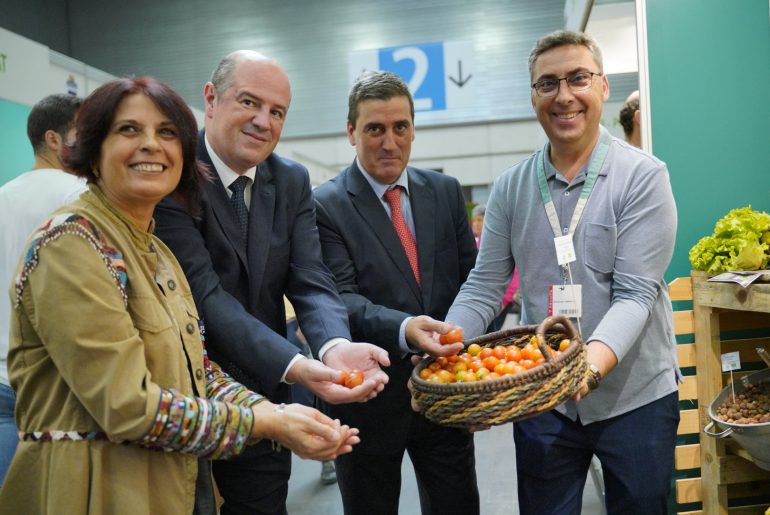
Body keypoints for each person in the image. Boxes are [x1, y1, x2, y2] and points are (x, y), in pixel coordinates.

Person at [0, 77, 358, 514]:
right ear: (93, 149)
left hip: (161, 484)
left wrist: (273, 412)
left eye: (167, 132)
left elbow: (195, 368)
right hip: (90, 492)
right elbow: (127, 406)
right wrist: (261, 421)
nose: (151, 144)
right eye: (129, 129)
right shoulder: (73, 243)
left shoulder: (156, 251)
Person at [441, 31, 679, 514]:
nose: (564, 95)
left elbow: (635, 296)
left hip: (634, 397)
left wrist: (584, 370)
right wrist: (448, 344)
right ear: (533, 96)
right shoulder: (511, 188)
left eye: (578, 78)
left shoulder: (643, 177)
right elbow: (485, 285)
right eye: (547, 83)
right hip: (543, 398)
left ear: (603, 86)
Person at [153, 51, 390, 515]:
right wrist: (297, 366)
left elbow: (311, 277)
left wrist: (333, 346)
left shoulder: (290, 179)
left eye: (277, 111)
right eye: (249, 102)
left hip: (267, 398)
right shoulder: (173, 174)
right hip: (189, 396)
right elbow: (205, 295)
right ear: (211, 99)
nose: (263, 121)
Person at [313, 70, 480, 515]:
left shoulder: (444, 192)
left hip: (445, 391)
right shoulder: (325, 204)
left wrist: (473, 372)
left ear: (413, 129)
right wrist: (406, 329)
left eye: (400, 127)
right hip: (369, 398)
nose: (390, 142)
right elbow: (339, 298)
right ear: (351, 132)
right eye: (375, 129)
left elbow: (474, 282)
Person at [0, 94, 85, 485]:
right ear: (53, 139)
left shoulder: (4, 195)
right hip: (52, 384)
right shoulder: (79, 196)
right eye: (84, 133)